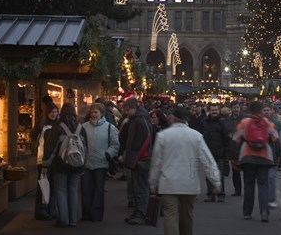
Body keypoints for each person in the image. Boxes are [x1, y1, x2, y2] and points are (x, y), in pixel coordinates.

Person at [149, 106, 222, 235]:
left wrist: (153, 183)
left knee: (170, 215)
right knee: (187, 216)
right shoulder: (196, 136)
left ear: (173, 118)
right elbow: (207, 160)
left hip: (168, 182)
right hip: (189, 182)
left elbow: (156, 162)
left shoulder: (163, 136)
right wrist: (216, 181)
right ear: (186, 120)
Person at [42, 103, 88, 228]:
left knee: (61, 191)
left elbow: (50, 148)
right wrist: (83, 165)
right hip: (77, 165)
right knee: (73, 191)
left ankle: (63, 220)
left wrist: (45, 164)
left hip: (60, 164)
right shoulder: (80, 127)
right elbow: (86, 148)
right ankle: (73, 219)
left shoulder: (58, 127)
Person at [232, 100, 278, 222]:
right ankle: (264, 211)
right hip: (264, 156)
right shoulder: (267, 122)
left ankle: (247, 212)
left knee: (249, 185)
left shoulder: (244, 122)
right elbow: (275, 137)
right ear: (261, 109)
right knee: (263, 185)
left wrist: (234, 158)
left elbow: (236, 138)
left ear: (250, 109)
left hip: (247, 156)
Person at [81, 102, 120, 221]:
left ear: (101, 113)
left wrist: (108, 154)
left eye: (96, 112)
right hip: (86, 163)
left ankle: (96, 214)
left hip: (101, 163)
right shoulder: (84, 127)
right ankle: (86, 213)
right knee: (86, 189)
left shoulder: (110, 128)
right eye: (92, 112)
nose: (93, 114)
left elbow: (115, 145)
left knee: (99, 190)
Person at [118, 97, 154, 225]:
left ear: (132, 108)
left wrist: (132, 157)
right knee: (138, 187)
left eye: (127, 110)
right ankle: (138, 211)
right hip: (139, 158)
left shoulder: (140, 120)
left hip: (139, 159)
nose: (126, 113)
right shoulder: (139, 119)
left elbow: (141, 142)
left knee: (140, 187)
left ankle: (141, 213)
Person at [31, 99, 58, 220]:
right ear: (47, 113)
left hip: (50, 161)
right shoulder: (44, 126)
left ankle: (47, 210)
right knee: (43, 186)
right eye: (52, 112)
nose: (54, 114)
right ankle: (42, 211)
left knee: (48, 186)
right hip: (43, 161)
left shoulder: (53, 126)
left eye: (56, 112)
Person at [202, 103, 231, 202]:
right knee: (208, 174)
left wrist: (227, 153)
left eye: (216, 110)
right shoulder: (205, 121)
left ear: (219, 111)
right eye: (212, 110)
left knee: (220, 174)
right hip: (208, 152)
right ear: (209, 111)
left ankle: (220, 193)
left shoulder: (223, 122)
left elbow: (227, 139)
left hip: (220, 152)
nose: (214, 112)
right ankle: (210, 193)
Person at [262, 103, 281, 209]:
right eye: (264, 110)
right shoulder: (258, 123)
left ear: (272, 111)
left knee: (271, 178)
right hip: (261, 154)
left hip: (274, 154)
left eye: (268, 110)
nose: (266, 112)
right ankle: (265, 198)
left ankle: (271, 199)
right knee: (263, 179)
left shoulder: (278, 123)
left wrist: (280, 155)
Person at [227, 101, 244, 196]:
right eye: (234, 107)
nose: (236, 109)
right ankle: (237, 189)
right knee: (235, 171)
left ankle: (247, 188)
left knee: (246, 170)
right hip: (233, 147)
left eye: (237, 107)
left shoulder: (244, 118)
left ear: (240, 108)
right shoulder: (228, 119)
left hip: (243, 147)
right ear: (231, 109)